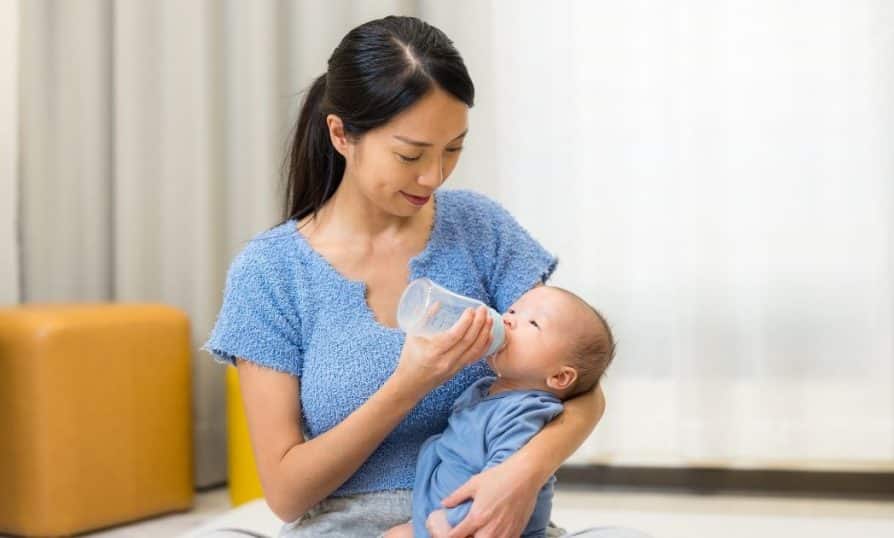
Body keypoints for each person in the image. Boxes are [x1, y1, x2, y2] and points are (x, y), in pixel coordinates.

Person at [204, 15, 648, 538]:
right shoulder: (270, 274)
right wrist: (408, 385)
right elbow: (286, 494)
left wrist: (522, 474)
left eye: (453, 148)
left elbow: (577, 381)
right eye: (409, 154)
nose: (433, 176)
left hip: (486, 518)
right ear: (341, 133)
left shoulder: (481, 229)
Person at [381, 286, 617, 538]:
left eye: (534, 323)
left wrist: (452, 519)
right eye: (513, 311)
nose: (507, 320)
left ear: (559, 377)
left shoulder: (524, 413)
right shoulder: (485, 390)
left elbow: (501, 486)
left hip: (474, 525)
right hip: (435, 516)